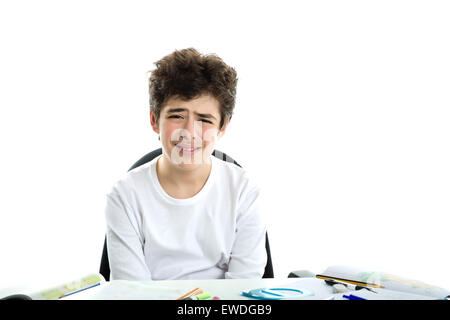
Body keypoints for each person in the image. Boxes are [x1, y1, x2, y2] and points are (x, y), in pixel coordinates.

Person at [105, 48, 266, 280]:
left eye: (204, 120)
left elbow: (243, 289)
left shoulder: (243, 191)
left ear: (223, 126)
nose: (189, 132)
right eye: (177, 116)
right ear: (154, 120)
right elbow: (134, 294)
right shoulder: (125, 196)